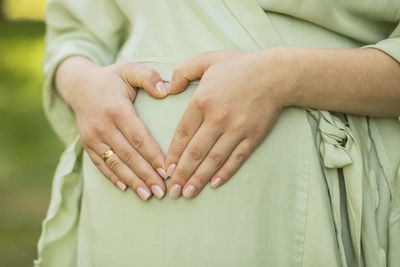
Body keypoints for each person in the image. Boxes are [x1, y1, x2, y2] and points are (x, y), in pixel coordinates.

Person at [35, 0, 400, 266]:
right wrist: (82, 84)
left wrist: (284, 76)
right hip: (125, 219)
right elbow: (74, 35)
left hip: (297, 208)